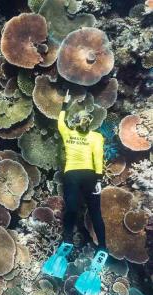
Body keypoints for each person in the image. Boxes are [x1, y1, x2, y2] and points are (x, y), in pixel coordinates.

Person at [58, 89, 106, 251]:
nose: (85, 122)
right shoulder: (68, 133)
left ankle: (102, 247)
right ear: (76, 121)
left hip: (90, 175)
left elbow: (98, 157)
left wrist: (99, 179)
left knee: (95, 212)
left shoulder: (96, 137)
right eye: (82, 119)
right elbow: (60, 123)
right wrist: (64, 104)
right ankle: (67, 239)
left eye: (87, 119)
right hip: (71, 174)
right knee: (71, 208)